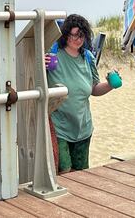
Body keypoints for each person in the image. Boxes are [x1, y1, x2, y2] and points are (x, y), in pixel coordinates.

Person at [45, 14, 118, 173]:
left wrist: (111, 85)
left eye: (80, 35)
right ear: (65, 35)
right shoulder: (52, 56)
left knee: (81, 175)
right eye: (72, 35)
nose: (76, 39)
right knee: (63, 170)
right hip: (59, 126)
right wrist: (39, 64)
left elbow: (94, 89)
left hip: (83, 127)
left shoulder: (88, 57)